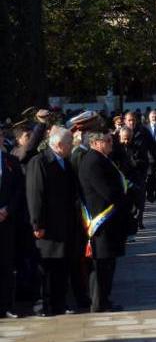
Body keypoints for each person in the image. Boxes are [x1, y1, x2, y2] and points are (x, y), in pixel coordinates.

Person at [26, 126, 79, 317]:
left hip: (64, 224)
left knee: (61, 264)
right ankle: (42, 304)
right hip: (47, 225)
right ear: (59, 144)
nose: (72, 146)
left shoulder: (65, 162)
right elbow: (35, 194)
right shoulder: (39, 162)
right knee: (45, 266)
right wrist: (37, 223)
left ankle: (59, 303)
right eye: (70, 143)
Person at [78, 132, 128, 313]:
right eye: (108, 140)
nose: (111, 143)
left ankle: (103, 299)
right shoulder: (93, 162)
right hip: (102, 221)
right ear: (96, 143)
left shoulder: (101, 158)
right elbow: (107, 191)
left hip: (110, 221)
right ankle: (99, 302)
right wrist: (124, 199)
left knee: (107, 263)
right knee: (102, 264)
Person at [0, 127, 24, 319]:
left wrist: (7, 209)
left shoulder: (11, 161)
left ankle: (6, 305)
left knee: (6, 264)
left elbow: (19, 189)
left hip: (6, 220)